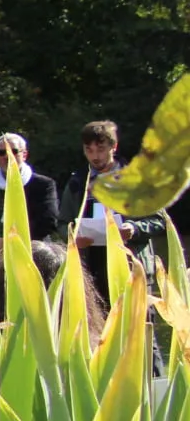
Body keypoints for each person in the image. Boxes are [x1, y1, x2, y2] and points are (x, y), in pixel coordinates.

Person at [60, 119, 168, 299]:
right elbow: (63, 222)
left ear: (114, 147)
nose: (95, 157)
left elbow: (159, 219)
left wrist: (133, 229)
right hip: (91, 272)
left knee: (138, 326)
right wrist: (72, 238)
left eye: (101, 150)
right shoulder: (77, 183)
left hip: (132, 267)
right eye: (89, 150)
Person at [0, 132, 59, 250]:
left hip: (33, 253)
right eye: (2, 152)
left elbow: (48, 222)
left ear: (24, 154)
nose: (7, 156)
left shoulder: (43, 185)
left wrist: (11, 241)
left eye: (14, 151)